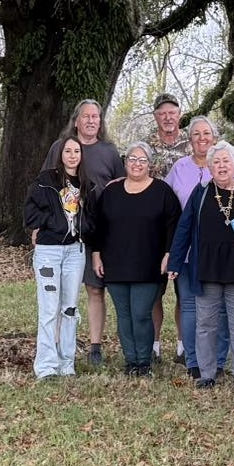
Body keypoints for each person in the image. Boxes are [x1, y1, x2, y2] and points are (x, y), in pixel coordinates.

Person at [169, 140, 234, 389]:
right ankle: (207, 374)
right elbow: (184, 228)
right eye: (217, 162)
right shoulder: (201, 192)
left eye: (226, 161)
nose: (222, 166)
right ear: (210, 167)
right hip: (206, 267)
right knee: (205, 324)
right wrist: (174, 261)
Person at [41, 98, 123, 369]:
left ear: (100, 122)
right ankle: (57, 346)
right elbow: (45, 187)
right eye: (86, 116)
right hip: (64, 232)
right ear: (76, 120)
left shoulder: (109, 152)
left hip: (99, 230)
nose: (91, 121)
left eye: (96, 117)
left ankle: (95, 346)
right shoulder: (59, 148)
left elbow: (120, 187)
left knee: (95, 288)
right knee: (62, 294)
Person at [91, 141, 182, 377]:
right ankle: (130, 361)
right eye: (132, 159)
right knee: (124, 315)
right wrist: (96, 254)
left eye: (142, 160)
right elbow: (98, 227)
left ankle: (144, 363)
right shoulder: (111, 192)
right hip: (116, 265)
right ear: (125, 162)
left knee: (141, 314)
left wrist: (169, 254)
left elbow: (174, 226)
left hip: (149, 266)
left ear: (149, 165)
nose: (137, 164)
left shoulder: (162, 192)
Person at [24, 137, 92, 379]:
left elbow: (93, 219)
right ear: (60, 154)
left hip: (75, 252)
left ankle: (66, 363)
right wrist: (54, 222)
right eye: (68, 151)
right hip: (49, 253)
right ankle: (46, 366)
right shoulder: (45, 182)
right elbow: (30, 216)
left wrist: (83, 225)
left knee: (70, 309)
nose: (72, 155)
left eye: (77, 151)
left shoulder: (87, 185)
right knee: (49, 308)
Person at [165, 116, 227, 376]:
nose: (202, 138)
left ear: (214, 137)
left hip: (220, 252)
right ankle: (193, 361)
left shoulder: (226, 164)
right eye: (196, 134)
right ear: (189, 140)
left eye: (207, 133)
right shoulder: (179, 168)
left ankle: (219, 361)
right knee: (190, 305)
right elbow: (166, 205)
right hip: (188, 250)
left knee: (220, 307)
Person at [145, 96, 191, 357]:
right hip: (154, 228)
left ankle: (184, 345)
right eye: (162, 114)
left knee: (184, 293)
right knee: (154, 291)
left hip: (184, 228)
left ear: (179, 114)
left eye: (172, 112)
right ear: (156, 117)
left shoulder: (191, 143)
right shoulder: (146, 146)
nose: (168, 118)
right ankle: (154, 345)